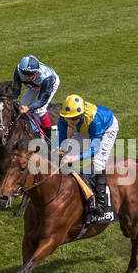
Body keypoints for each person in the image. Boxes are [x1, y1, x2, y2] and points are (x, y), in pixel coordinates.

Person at [56, 94, 118, 224]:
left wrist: (76, 157)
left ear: (82, 115)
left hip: (106, 128)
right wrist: (60, 149)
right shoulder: (64, 116)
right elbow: (62, 135)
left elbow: (95, 148)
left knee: (98, 163)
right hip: (85, 129)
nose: (71, 121)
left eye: (74, 119)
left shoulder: (96, 120)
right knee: (65, 152)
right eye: (69, 119)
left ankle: (101, 204)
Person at [11, 54, 58, 135]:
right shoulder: (18, 70)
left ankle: (50, 136)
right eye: (24, 73)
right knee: (22, 106)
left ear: (36, 72)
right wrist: (13, 100)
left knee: (40, 110)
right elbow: (16, 89)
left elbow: (42, 100)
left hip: (48, 84)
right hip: (33, 85)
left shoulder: (47, 78)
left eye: (30, 74)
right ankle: (29, 129)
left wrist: (29, 107)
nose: (27, 77)